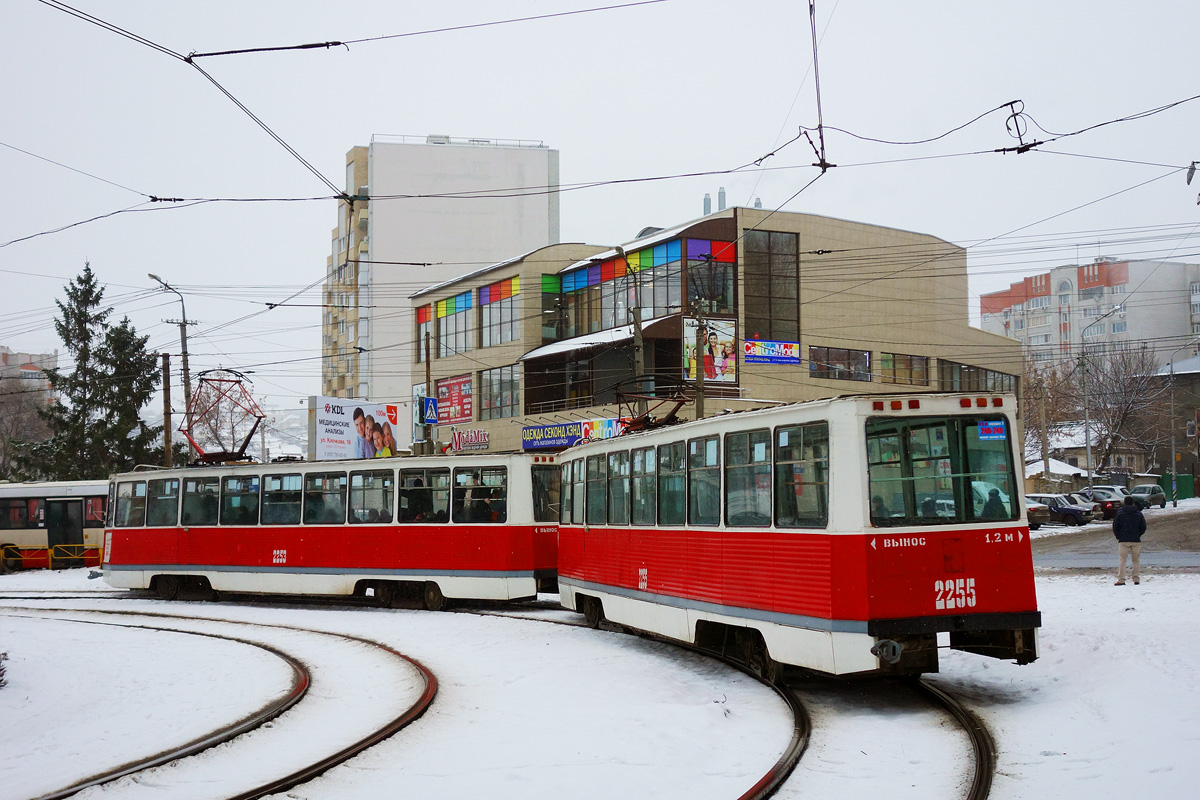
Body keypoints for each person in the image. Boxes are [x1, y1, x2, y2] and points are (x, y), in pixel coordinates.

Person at [1112, 495, 1146, 585]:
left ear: (1125, 502)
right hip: (1135, 540)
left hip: (1123, 540)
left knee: (1122, 560)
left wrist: (1119, 536)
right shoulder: (1138, 513)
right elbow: (1143, 527)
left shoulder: (1120, 513)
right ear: (1133, 503)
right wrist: (1138, 534)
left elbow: (1115, 527)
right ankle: (1136, 579)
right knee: (1136, 560)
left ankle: (1121, 579)